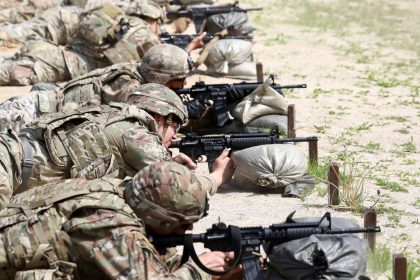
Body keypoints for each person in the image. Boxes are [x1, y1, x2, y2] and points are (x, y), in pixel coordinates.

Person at [0, 83, 234, 208]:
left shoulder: (112, 116)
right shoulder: (136, 131)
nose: (175, 136)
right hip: (8, 168)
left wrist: (167, 162)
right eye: (176, 126)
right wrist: (216, 177)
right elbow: (177, 190)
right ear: (160, 117)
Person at [0, 161, 237, 279]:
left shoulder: (117, 190)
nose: (190, 228)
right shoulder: (110, 224)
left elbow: (144, 257)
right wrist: (201, 269)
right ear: (158, 218)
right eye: (183, 223)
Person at [0, 43, 201, 133]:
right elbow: (144, 127)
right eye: (178, 81)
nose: (183, 86)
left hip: (44, 105)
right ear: (161, 77)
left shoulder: (135, 71)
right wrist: (185, 113)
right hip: (32, 112)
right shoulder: (130, 86)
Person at [0, 2, 163, 86]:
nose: (159, 30)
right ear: (150, 19)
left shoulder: (120, 22)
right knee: (9, 73)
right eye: (159, 24)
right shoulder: (144, 36)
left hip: (51, 52)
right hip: (60, 64)